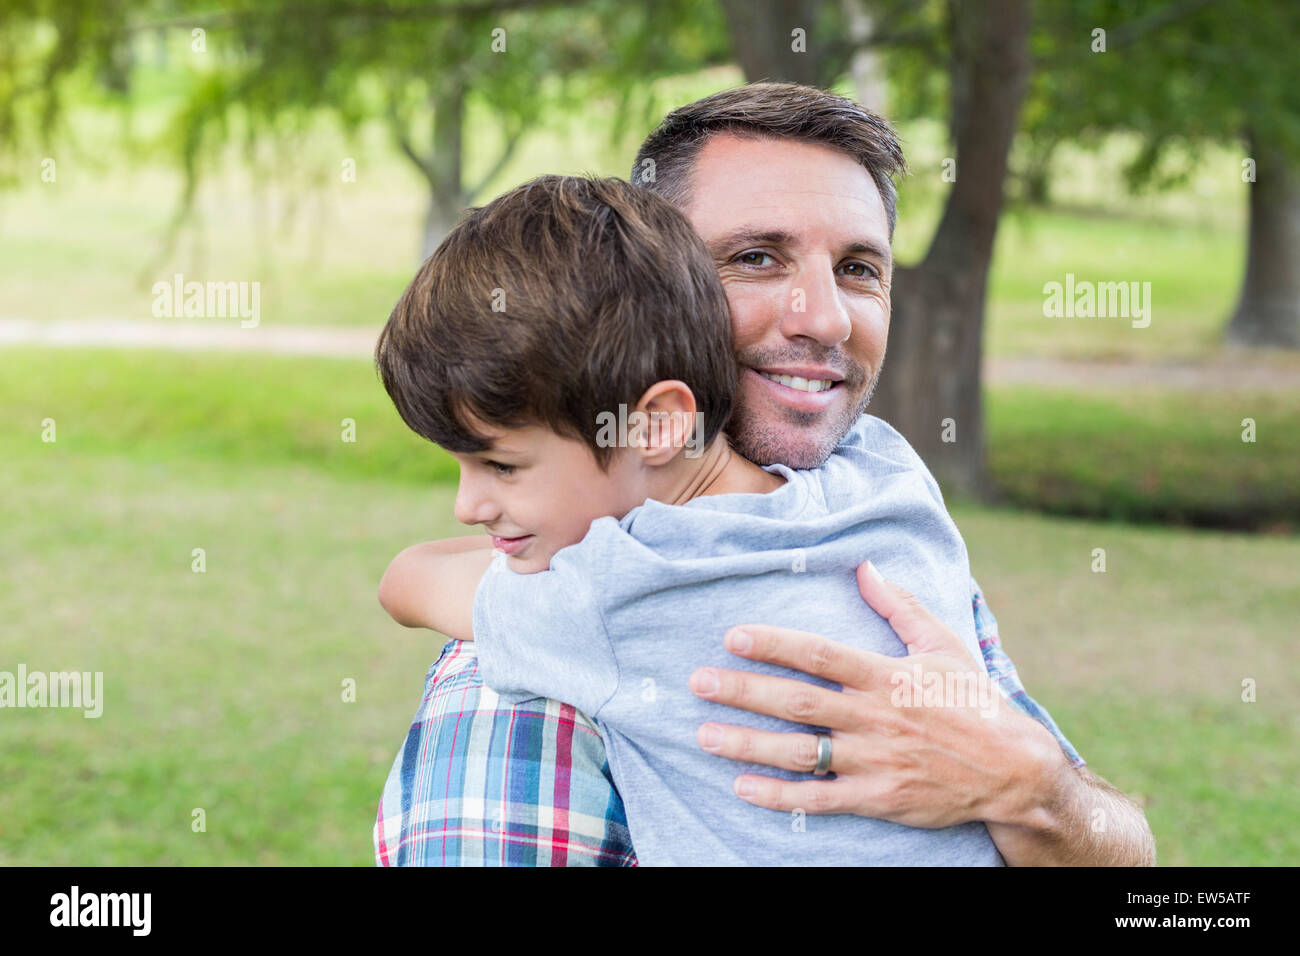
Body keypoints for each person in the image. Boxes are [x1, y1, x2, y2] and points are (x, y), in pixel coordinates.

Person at [373, 83, 1156, 867]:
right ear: (654, 285)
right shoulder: (883, 493)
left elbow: (1113, 853)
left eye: (858, 269)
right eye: (756, 257)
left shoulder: (871, 509)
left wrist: (1037, 790)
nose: (825, 318)